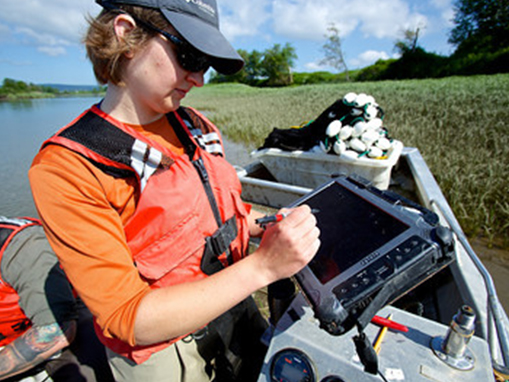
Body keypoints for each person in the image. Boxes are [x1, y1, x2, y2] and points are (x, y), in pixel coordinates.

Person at [28, 0, 321, 381]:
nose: (199, 78)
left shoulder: (195, 125)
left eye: (206, 64)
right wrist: (264, 266)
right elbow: (127, 316)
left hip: (236, 305)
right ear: (125, 34)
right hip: (170, 356)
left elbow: (222, 214)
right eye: (189, 56)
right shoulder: (68, 167)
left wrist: (272, 227)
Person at [0, 216, 113, 381]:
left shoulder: (22, 245)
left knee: (87, 372)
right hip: (10, 333)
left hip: (62, 321)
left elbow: (56, 329)